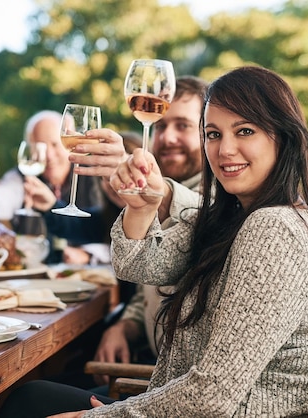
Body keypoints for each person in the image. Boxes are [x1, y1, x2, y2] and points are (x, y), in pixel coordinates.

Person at [0, 65, 308, 417]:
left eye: (245, 131)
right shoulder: (233, 215)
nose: (225, 150)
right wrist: (142, 208)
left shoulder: (275, 229)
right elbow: (137, 266)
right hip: (180, 404)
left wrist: (98, 416)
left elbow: (213, 396)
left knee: (29, 403)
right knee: (33, 397)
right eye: (214, 134)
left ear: (284, 137)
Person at [93, 76, 208, 384]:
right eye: (160, 125)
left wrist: (159, 194)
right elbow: (149, 291)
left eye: (182, 125)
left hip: (175, 391)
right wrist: (124, 328)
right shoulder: (175, 192)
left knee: (28, 397)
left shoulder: (223, 199)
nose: (167, 137)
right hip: (154, 374)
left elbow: (204, 215)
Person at [0, 110, 121, 265]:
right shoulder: (22, 176)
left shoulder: (96, 175)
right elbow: (5, 195)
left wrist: (89, 253)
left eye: (55, 145)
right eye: (40, 147)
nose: (48, 155)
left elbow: (116, 230)